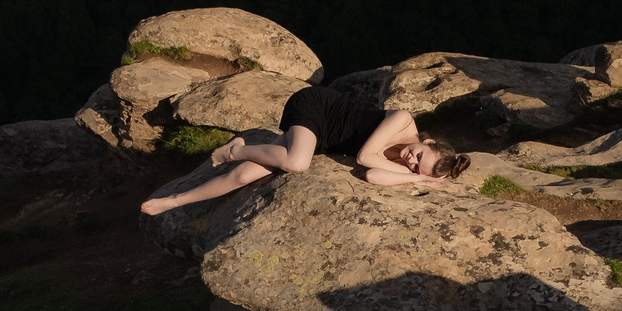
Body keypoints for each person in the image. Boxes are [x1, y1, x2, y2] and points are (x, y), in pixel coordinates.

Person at [138, 83, 471, 216]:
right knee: (296, 163)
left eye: (416, 167)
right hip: (317, 107)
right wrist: (409, 175)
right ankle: (233, 150)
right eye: (419, 156)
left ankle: (175, 200)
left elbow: (372, 176)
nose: (410, 161)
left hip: (321, 138)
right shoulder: (402, 119)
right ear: (427, 141)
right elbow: (365, 158)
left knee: (247, 175)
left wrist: (413, 181)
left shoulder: (408, 168)